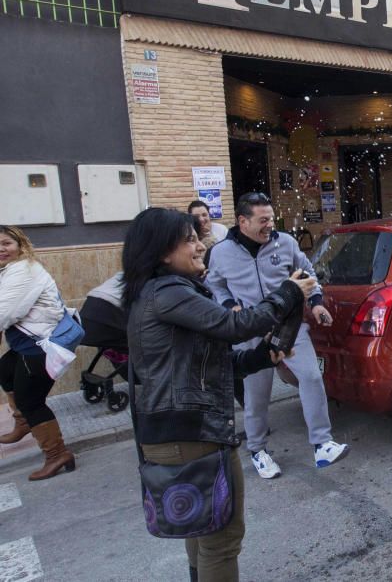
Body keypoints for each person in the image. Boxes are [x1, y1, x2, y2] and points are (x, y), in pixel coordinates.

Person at [123, 207, 313, 581]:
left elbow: (209, 365)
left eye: (198, 237)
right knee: (221, 541)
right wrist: (290, 291)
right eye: (190, 239)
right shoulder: (168, 292)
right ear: (163, 251)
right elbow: (235, 324)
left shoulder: (157, 292)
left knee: (201, 531)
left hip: (173, 433)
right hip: (193, 436)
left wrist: (261, 356)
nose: (200, 246)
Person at [206, 193, 348, 479]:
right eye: (263, 220)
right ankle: (258, 450)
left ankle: (322, 443)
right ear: (243, 221)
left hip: (289, 327)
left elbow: (307, 273)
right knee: (257, 396)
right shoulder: (221, 253)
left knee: (310, 377)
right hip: (249, 331)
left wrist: (316, 302)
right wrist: (227, 305)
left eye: (271, 218)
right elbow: (215, 285)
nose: (269, 224)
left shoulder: (286, 243)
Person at [0, 226, 77, 481]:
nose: (1, 249)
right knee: (5, 370)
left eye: (6, 243)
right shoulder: (9, 271)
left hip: (40, 347)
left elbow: (5, 313)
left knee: (31, 400)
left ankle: (57, 455)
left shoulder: (24, 270)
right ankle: (23, 421)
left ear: (20, 245)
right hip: (27, 344)